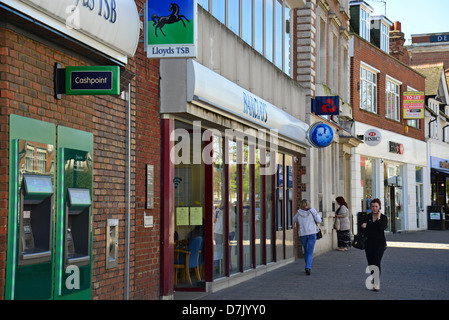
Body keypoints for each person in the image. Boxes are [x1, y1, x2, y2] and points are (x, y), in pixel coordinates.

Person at [361, 198, 387, 291]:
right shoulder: (367, 217)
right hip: (369, 243)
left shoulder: (383, 217)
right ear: (370, 207)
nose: (374, 208)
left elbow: (381, 228)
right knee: (371, 263)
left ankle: (376, 283)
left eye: (376, 206)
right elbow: (362, 229)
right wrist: (364, 226)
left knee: (376, 262)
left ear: (379, 207)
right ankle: (374, 278)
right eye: (373, 206)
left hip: (379, 244)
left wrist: (378, 218)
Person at [293, 199, 322, 275]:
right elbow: (319, 220)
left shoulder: (299, 213)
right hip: (312, 233)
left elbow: (294, 219)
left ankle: (307, 265)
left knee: (306, 250)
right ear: (308, 204)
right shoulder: (312, 211)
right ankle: (308, 267)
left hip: (303, 234)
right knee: (310, 251)